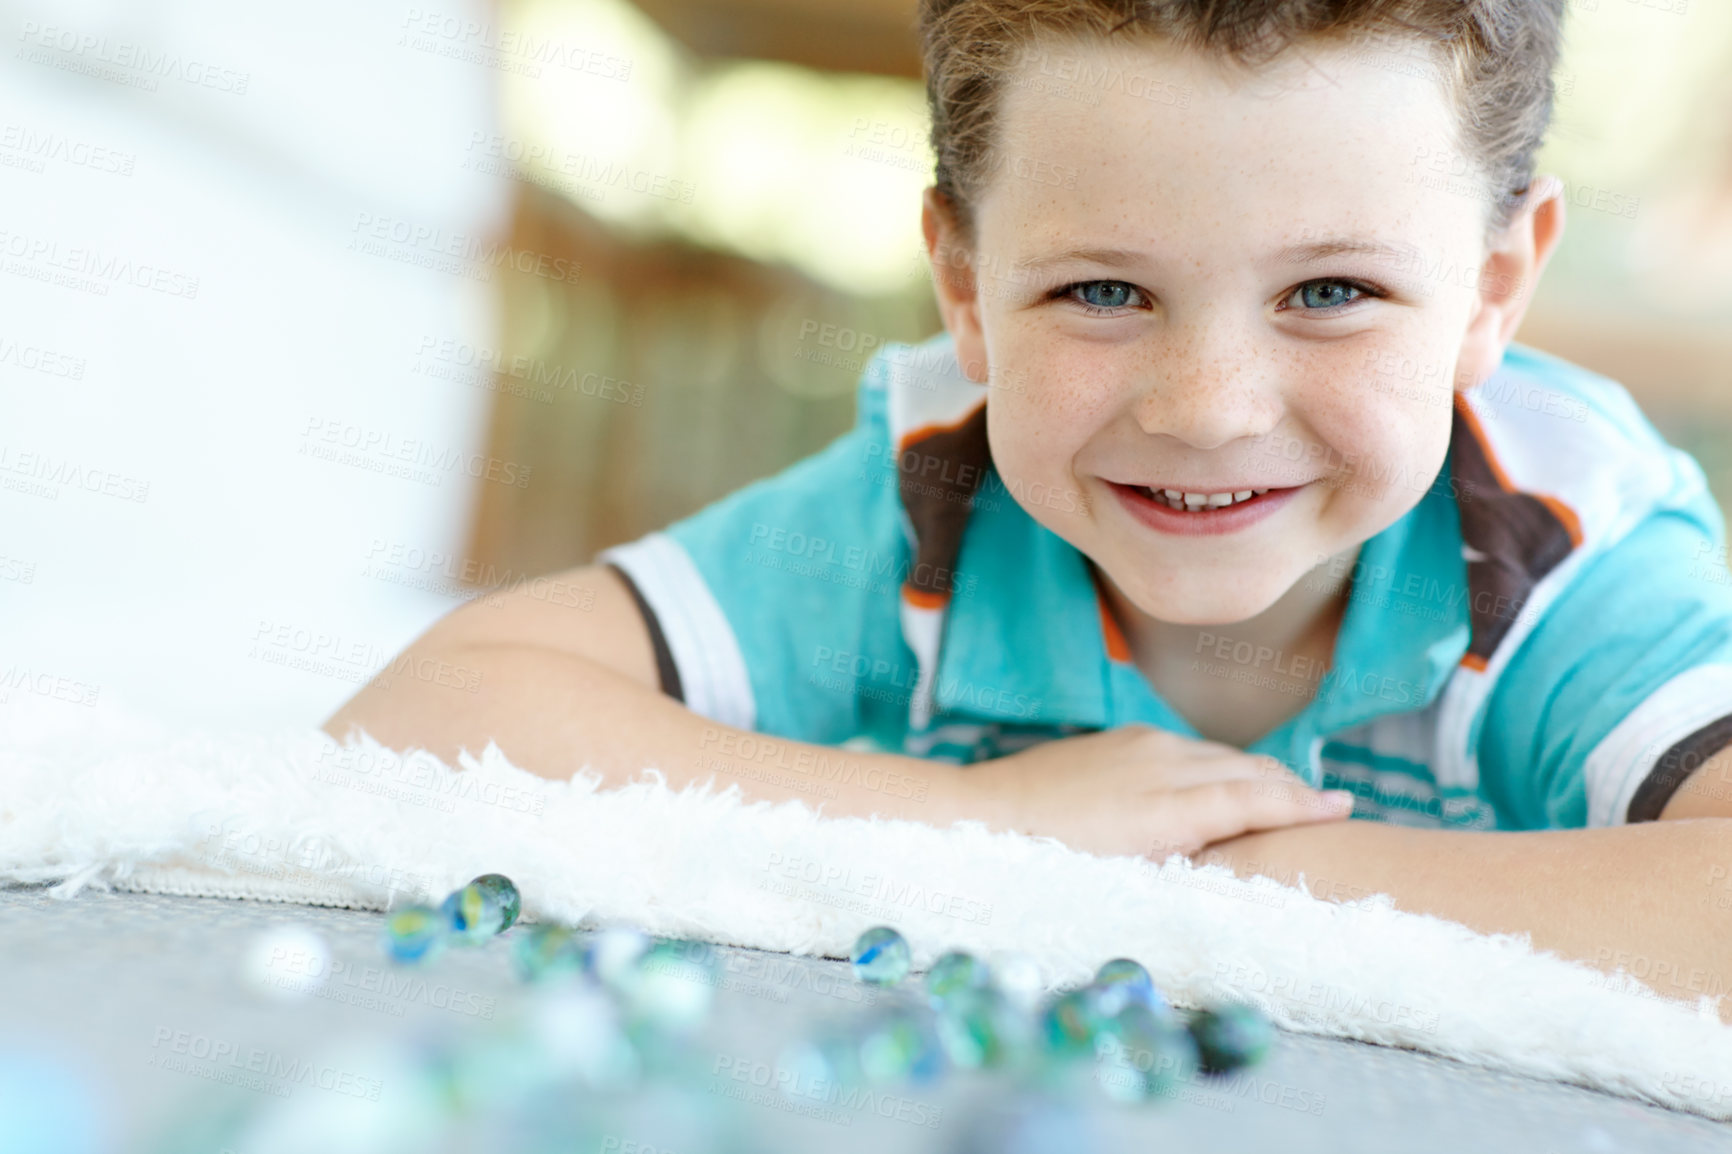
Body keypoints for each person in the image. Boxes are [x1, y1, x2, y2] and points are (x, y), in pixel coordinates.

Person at [326, 0, 1732, 1014]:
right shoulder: (931, 509)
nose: (1208, 406)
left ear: (1494, 287)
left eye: (1332, 292)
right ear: (965, 288)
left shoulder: (1556, 555)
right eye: (1103, 291)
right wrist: (976, 818)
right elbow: (426, 716)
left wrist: (1235, 876)